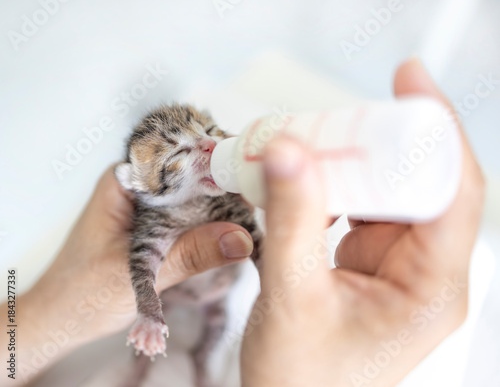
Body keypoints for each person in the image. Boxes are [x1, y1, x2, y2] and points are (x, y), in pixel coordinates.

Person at [1, 59, 484, 387]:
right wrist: (145, 312)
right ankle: (141, 367)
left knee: (213, 330)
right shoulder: (149, 218)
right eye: (178, 155)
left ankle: (201, 361)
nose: (209, 148)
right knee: (146, 340)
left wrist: (279, 274)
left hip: (213, 302)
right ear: (140, 186)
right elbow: (142, 270)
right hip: (170, 299)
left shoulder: (226, 199)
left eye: (209, 134)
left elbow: (259, 244)